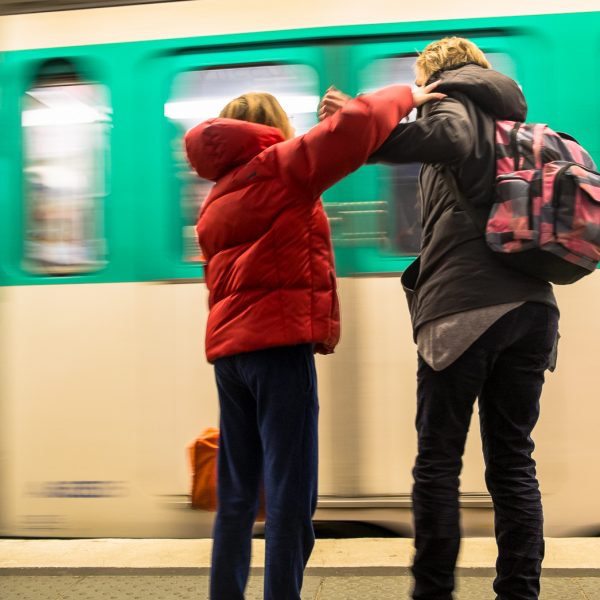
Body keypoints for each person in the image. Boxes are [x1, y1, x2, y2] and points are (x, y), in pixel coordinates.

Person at [320, 37, 559, 600]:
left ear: (434, 73)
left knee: (438, 461)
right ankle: (519, 592)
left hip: (466, 308)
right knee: (512, 462)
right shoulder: (513, 120)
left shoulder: (450, 100)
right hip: (533, 310)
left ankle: (431, 592)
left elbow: (445, 134)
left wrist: (364, 124)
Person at [184, 83, 444, 600]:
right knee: (289, 495)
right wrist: (411, 92)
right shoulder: (280, 166)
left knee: (237, 495)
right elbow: (356, 126)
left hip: (230, 357)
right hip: (278, 351)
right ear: (271, 128)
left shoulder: (215, 198)